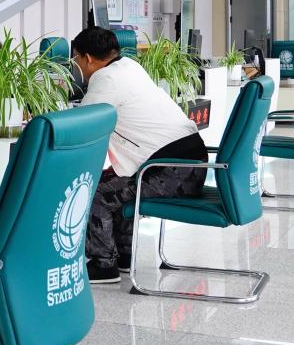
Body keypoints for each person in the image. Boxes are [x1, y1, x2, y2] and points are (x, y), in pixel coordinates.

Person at [70, 26, 207, 284]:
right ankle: (123, 256)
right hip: (190, 166)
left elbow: (83, 123)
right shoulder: (130, 66)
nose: (76, 65)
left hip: (171, 172)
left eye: (75, 58)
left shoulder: (105, 78)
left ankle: (103, 264)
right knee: (116, 181)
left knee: (94, 191)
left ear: (87, 58)